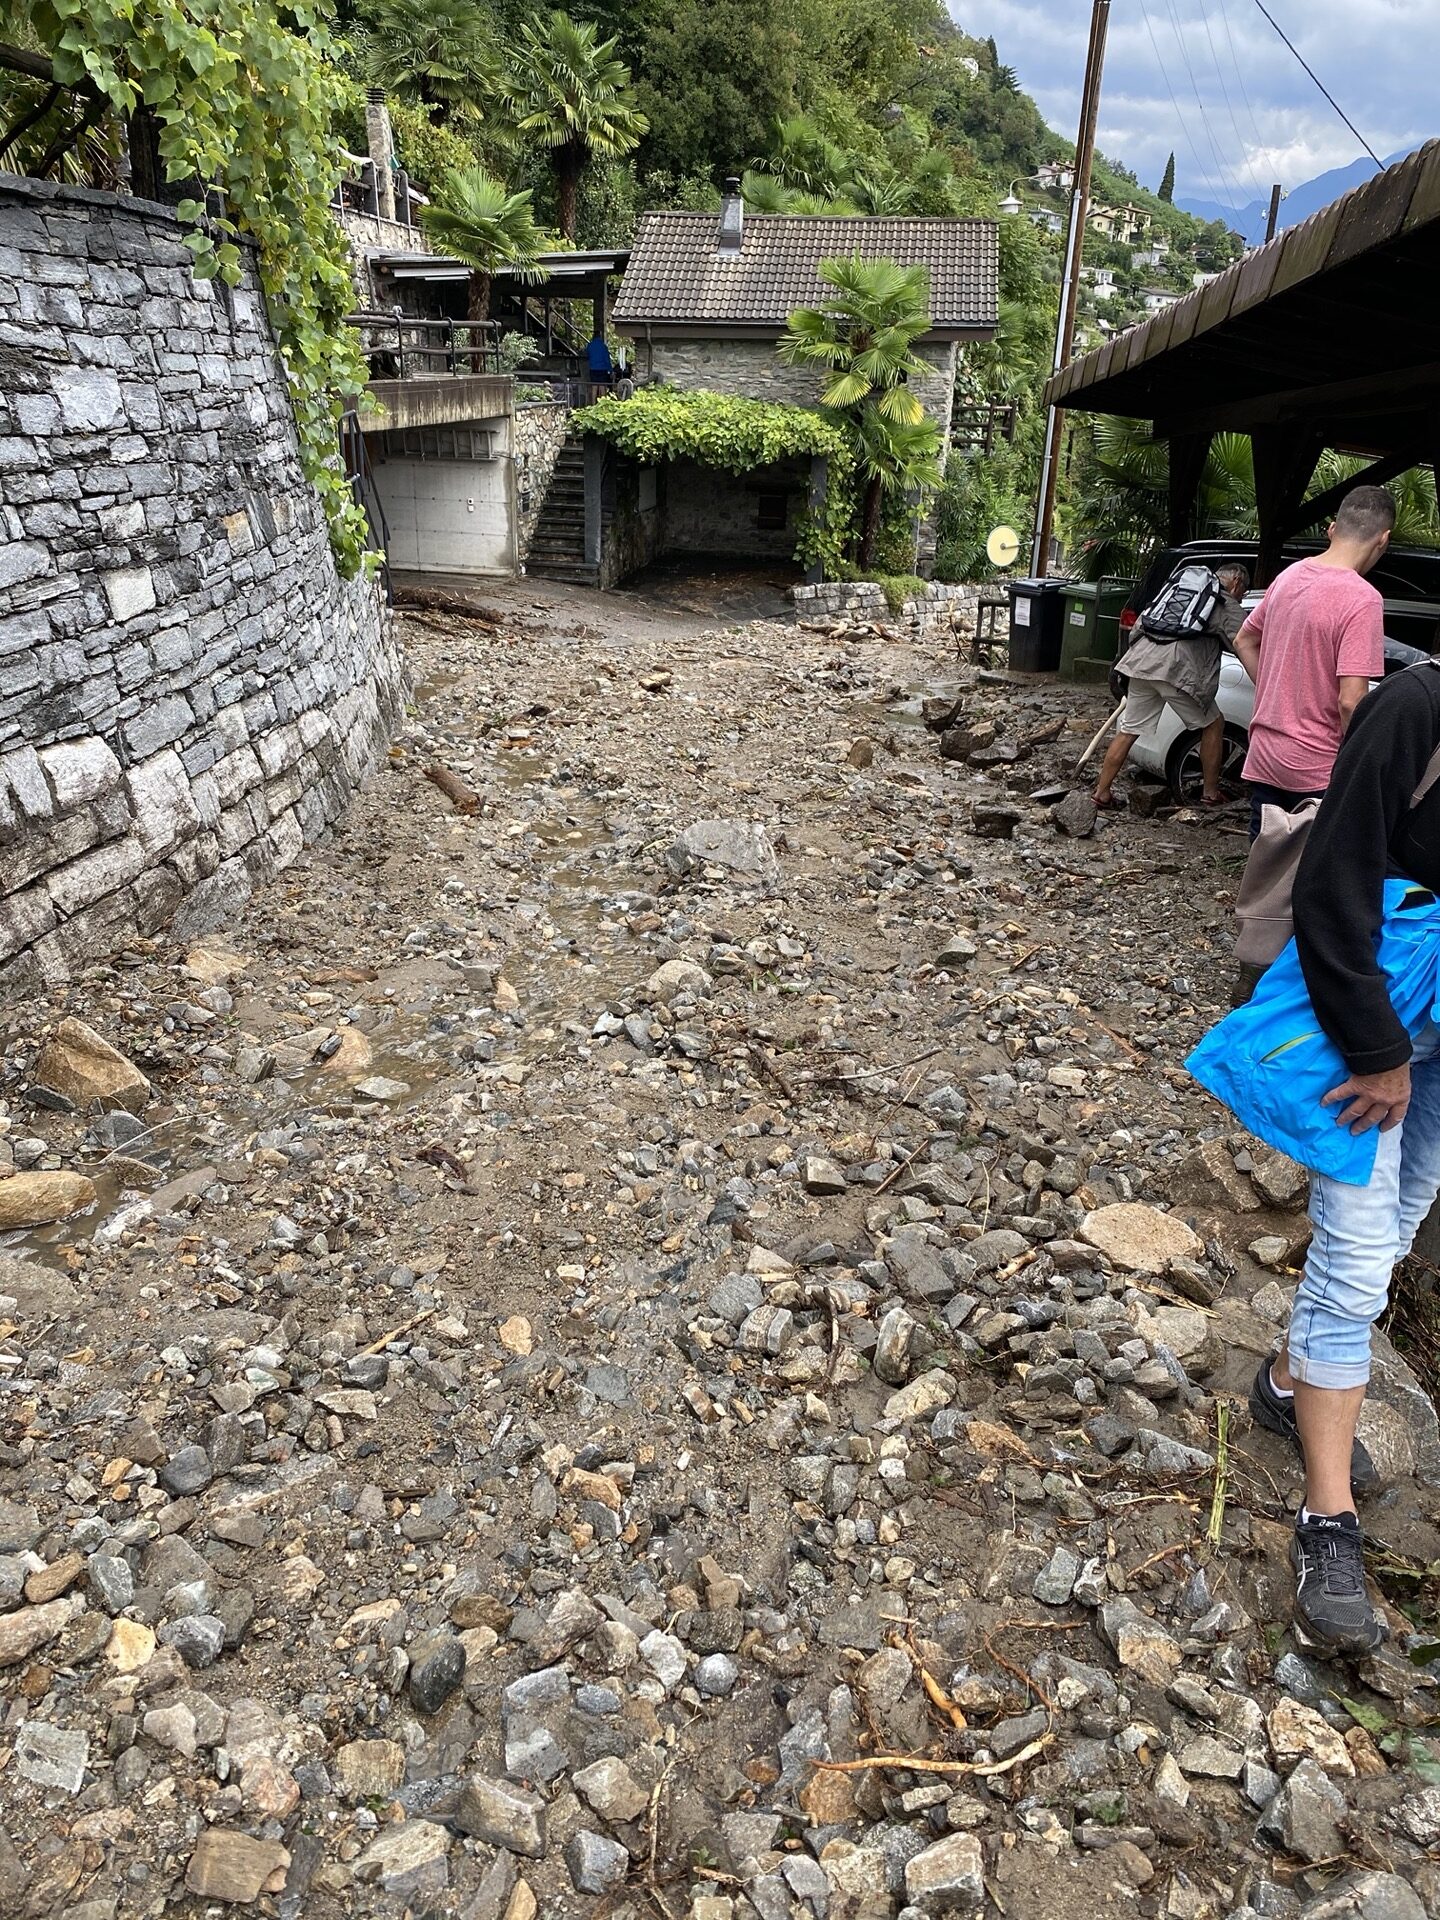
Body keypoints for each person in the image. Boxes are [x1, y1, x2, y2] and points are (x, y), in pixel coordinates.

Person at [1192, 657, 1440, 1652]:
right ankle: (1326, 1518)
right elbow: (1336, 874)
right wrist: (1379, 1052)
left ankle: (1288, 1386)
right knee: (1357, 1250)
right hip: (1375, 1026)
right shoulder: (1418, 706)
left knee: (1403, 1221)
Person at [1233, 486, 1394, 839]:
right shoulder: (1363, 598)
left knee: (1265, 864)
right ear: (1383, 539)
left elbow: (1244, 640)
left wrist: (1278, 694)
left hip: (1265, 756)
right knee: (1316, 869)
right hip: (1317, 768)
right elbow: (1350, 701)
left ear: (1333, 528)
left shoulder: (1288, 577)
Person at [1093, 562, 1250, 809]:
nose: (1242, 597)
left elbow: (1138, 628)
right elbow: (1245, 643)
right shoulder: (1225, 602)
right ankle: (1210, 794)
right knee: (1213, 724)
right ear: (1237, 582)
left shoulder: (1176, 592)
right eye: (1244, 591)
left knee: (1128, 731)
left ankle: (1101, 793)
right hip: (1175, 671)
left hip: (1140, 663)